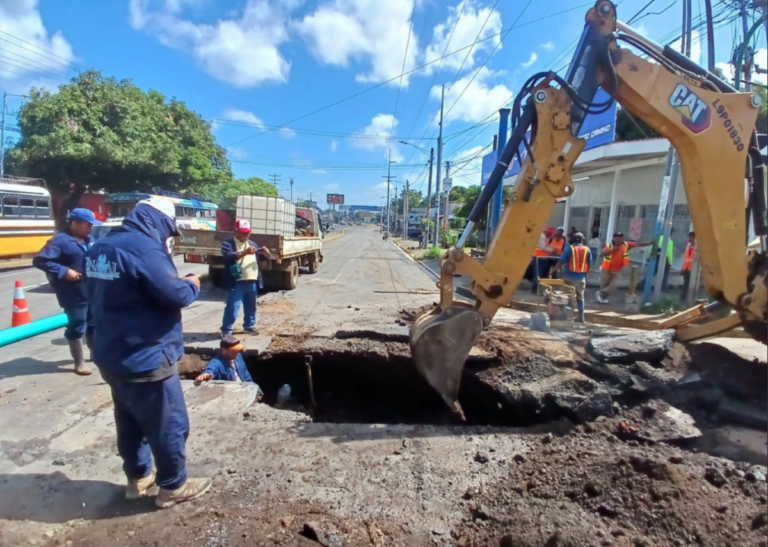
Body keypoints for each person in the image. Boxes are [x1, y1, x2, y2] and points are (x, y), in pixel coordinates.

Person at [85, 198, 211, 509]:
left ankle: (137, 479)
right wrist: (192, 284)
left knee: (129, 420)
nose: (168, 236)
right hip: (146, 356)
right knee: (169, 422)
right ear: (157, 221)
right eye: (169, 229)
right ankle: (173, 485)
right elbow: (174, 294)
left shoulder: (101, 246)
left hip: (111, 353)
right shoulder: (146, 249)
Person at [33, 208, 101, 376]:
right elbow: (40, 260)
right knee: (77, 323)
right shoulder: (60, 241)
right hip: (72, 292)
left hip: (91, 290)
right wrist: (64, 271)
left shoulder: (90, 240)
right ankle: (79, 363)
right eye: (87, 225)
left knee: (93, 324)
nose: (90, 228)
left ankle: (96, 355)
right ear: (74, 223)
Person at [221, 219, 267, 335]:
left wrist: (265, 254)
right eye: (243, 232)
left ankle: (249, 326)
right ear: (236, 231)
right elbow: (228, 256)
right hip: (237, 281)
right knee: (233, 306)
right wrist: (245, 252)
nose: (246, 235)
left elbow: (259, 258)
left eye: (248, 232)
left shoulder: (252, 243)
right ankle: (227, 330)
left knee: (251, 306)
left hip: (251, 281)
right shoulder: (228, 244)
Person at [597, 232, 652, 304]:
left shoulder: (626, 245)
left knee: (614, 285)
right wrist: (612, 250)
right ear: (613, 239)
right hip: (606, 269)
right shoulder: (609, 245)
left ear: (622, 239)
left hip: (617, 270)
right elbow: (602, 254)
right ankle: (603, 298)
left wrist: (649, 243)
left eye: (619, 239)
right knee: (605, 285)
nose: (618, 240)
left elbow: (637, 244)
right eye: (616, 239)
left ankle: (600, 294)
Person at [553, 232, 592, 323]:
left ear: (571, 240)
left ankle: (568, 317)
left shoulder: (568, 249)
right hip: (580, 278)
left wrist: (553, 270)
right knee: (580, 298)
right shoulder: (587, 250)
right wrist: (586, 275)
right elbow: (589, 264)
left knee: (568, 297)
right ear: (582, 240)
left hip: (568, 277)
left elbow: (561, 261)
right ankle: (580, 317)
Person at [529, 227, 555, 292]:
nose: (549, 236)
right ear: (547, 232)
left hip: (540, 258)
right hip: (538, 258)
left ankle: (536, 289)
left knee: (539, 274)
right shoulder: (542, 237)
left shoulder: (544, 237)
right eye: (550, 234)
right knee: (538, 274)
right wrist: (551, 250)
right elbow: (542, 247)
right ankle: (535, 290)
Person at [681, 231, 695, 298]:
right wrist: (683, 268)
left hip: (692, 269)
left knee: (691, 284)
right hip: (686, 268)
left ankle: (689, 297)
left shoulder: (697, 247)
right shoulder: (688, 246)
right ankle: (684, 296)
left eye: (690, 237)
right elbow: (686, 258)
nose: (689, 239)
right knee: (686, 283)